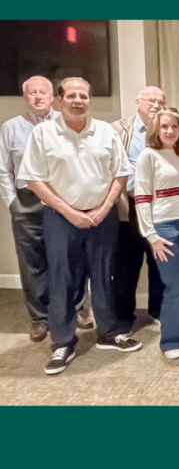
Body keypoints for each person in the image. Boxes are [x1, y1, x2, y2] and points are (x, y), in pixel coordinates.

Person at [18, 77, 142, 374]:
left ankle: (109, 333)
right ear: (59, 101)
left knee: (104, 276)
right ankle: (62, 341)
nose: (78, 100)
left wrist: (104, 207)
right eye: (71, 95)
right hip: (61, 219)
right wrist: (69, 211)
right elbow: (34, 179)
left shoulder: (104, 132)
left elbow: (121, 174)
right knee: (62, 279)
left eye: (83, 95)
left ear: (89, 100)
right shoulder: (44, 134)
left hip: (103, 217)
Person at [0, 75, 93, 341]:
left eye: (44, 92)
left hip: (63, 199)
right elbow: (3, 170)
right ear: (25, 96)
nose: (38, 97)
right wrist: (13, 204)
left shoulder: (66, 124)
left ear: (54, 96)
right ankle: (39, 317)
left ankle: (77, 308)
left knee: (72, 257)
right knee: (33, 262)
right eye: (32, 93)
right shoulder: (11, 128)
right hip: (27, 202)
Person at [134, 107, 179, 359]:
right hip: (165, 227)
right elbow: (141, 198)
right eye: (165, 126)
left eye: (174, 126)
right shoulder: (148, 156)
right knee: (176, 286)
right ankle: (172, 341)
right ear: (156, 129)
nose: (170, 130)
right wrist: (151, 236)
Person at [111, 86, 167, 331]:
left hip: (158, 208)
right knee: (126, 267)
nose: (156, 105)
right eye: (151, 100)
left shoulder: (168, 128)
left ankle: (159, 310)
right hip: (128, 207)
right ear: (138, 102)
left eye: (160, 102)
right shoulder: (117, 129)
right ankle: (123, 317)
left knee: (159, 263)